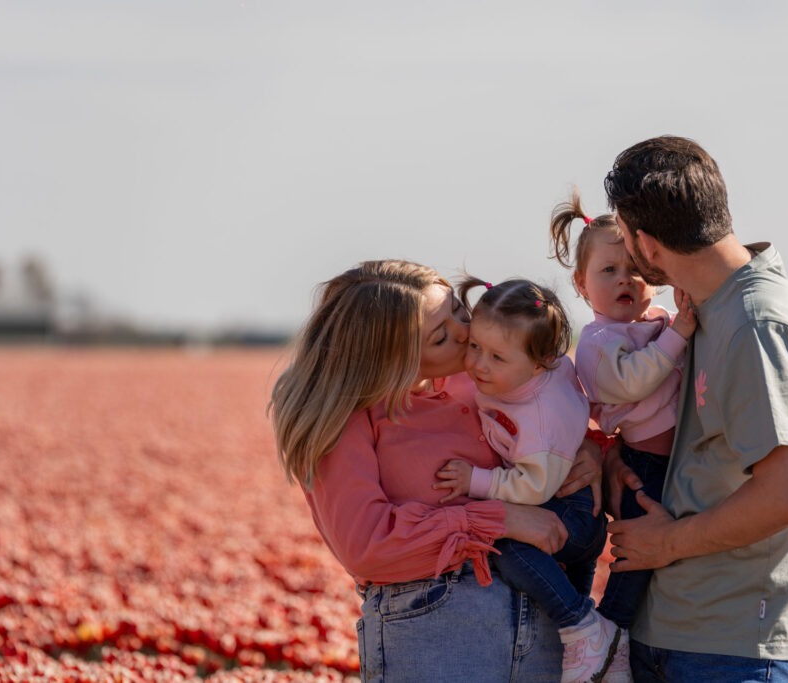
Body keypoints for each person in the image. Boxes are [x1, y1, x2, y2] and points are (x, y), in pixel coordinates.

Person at [269, 260, 604, 683]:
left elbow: (548, 416)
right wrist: (500, 520)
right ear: (393, 359)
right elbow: (367, 545)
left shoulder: (481, 375)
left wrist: (589, 452)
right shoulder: (346, 418)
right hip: (437, 630)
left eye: (460, 312)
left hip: (548, 618)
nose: (467, 333)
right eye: (441, 336)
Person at [602, 136, 788, 683]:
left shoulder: (756, 324)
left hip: (729, 640)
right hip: (688, 625)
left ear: (647, 244)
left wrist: (667, 542)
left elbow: (787, 493)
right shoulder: (711, 305)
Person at [433, 276, 619, 683]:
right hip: (572, 502)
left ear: (540, 362)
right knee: (577, 617)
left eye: (496, 358)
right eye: (475, 347)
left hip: (570, 511)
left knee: (506, 542)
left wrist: (475, 481)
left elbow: (534, 488)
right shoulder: (526, 373)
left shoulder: (539, 420)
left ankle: (581, 624)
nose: (479, 364)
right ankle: (601, 652)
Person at [548, 190, 696, 682]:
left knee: (659, 554)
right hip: (643, 463)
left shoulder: (655, 322)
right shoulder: (597, 343)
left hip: (676, 458)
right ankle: (606, 635)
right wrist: (680, 335)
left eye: (634, 267)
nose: (624, 279)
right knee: (634, 560)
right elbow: (636, 380)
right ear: (581, 284)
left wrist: (677, 323)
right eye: (608, 271)